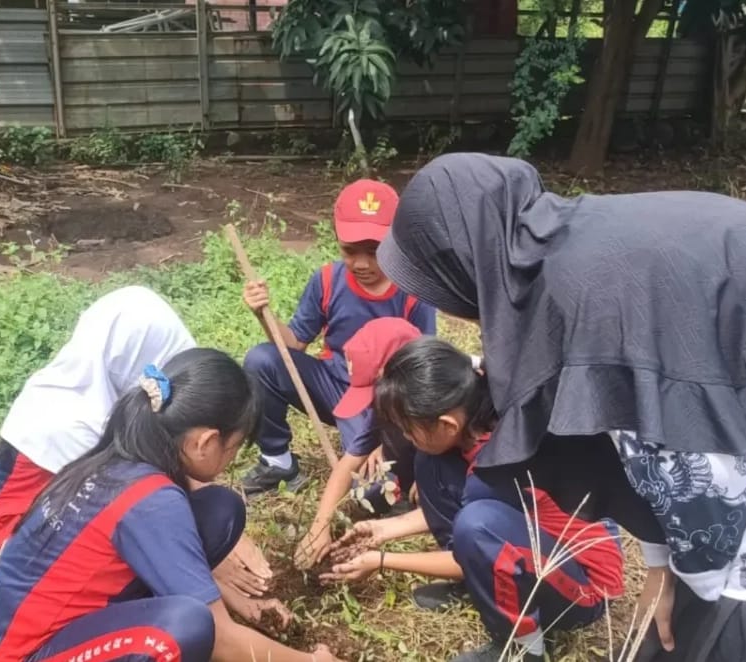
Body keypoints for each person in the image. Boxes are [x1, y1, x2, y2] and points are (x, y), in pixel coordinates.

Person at [377, 152, 746, 662]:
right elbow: (641, 433)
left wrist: (703, 589)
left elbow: (692, 453)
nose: (442, 304)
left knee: (702, 635)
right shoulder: (550, 259)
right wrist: (662, 561)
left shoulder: (577, 304)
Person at [0, 348, 344, 662]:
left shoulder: (120, 461)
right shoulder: (152, 503)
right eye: (234, 449)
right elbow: (222, 640)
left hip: (53, 623)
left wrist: (239, 603)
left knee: (219, 509)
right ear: (205, 442)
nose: (230, 462)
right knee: (184, 627)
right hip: (29, 652)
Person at [322, 333, 628, 662]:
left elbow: (478, 538)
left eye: (408, 428)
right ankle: (479, 585)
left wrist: (382, 560)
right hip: (534, 539)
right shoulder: (478, 410)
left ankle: (524, 647)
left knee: (475, 525)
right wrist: (384, 530)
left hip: (585, 584)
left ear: (446, 423)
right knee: (432, 464)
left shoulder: (496, 469)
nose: (407, 437)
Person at [0, 285, 272, 602]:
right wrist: (214, 579)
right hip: (33, 553)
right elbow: (150, 529)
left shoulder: (117, 406)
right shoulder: (72, 425)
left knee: (215, 512)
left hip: (87, 530)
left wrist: (227, 546)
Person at [240, 179, 436, 568]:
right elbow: (293, 345)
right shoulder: (328, 281)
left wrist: (386, 438)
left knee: (372, 488)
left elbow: (421, 374)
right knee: (262, 360)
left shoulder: (414, 291)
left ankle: (395, 466)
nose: (361, 263)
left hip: (383, 401)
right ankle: (278, 462)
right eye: (350, 251)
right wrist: (263, 313)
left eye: (374, 251)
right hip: (334, 385)